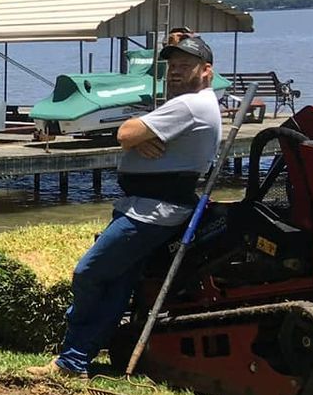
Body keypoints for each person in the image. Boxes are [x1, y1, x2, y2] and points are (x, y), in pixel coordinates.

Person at [47, 32, 223, 376]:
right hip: (146, 205)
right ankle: (75, 359)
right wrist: (143, 139)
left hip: (153, 210)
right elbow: (135, 136)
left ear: (206, 71)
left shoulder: (190, 104)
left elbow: (124, 134)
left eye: (184, 66)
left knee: (90, 272)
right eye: (171, 66)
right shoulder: (193, 105)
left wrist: (137, 138)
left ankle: (73, 352)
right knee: (117, 281)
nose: (173, 72)